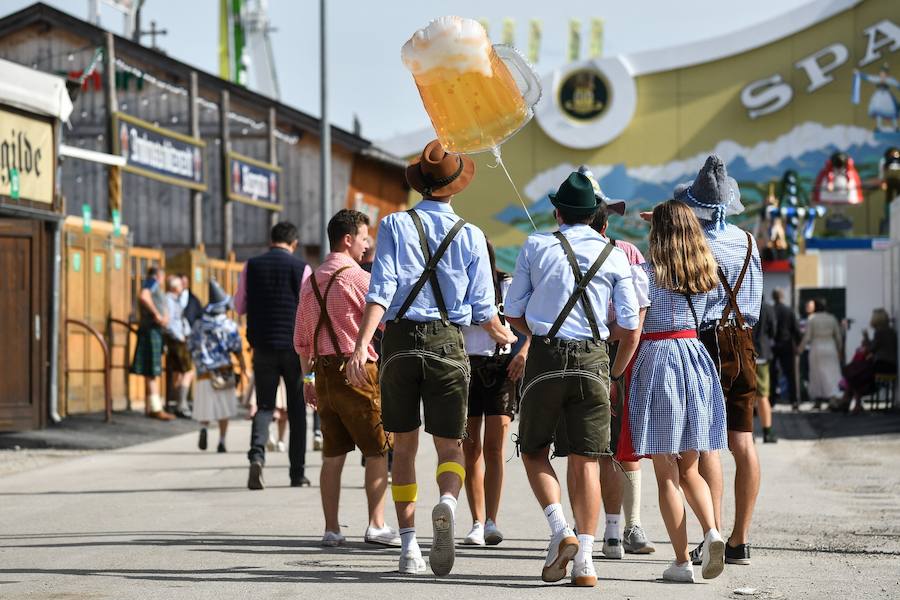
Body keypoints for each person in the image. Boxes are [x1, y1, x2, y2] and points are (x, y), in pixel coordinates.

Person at [346, 140, 514, 577]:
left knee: (403, 446)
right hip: (447, 342)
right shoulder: (473, 235)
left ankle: (408, 547)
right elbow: (483, 311)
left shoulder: (396, 225)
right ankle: (447, 502)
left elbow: (379, 290)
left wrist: (362, 344)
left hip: (399, 342)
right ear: (455, 186)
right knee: (452, 444)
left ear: (420, 184)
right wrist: (505, 335)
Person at [505, 171, 641, 587]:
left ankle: (559, 527)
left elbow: (511, 312)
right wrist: (613, 370)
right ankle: (585, 560)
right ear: (597, 214)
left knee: (533, 450)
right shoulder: (615, 255)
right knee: (587, 460)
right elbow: (631, 326)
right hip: (595, 361)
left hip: (546, 356)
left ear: (558, 212)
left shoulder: (536, 245)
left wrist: (540, 331)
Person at [554, 167, 656, 558]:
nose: (602, 217)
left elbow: (637, 315)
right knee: (590, 446)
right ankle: (598, 529)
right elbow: (636, 314)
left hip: (610, 352)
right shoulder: (611, 252)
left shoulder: (624, 252)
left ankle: (623, 527)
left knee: (616, 445)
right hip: (603, 348)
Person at [671, 156, 763, 569]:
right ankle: (740, 539)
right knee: (743, 441)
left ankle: (713, 535)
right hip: (745, 339)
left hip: (707, 340)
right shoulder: (747, 240)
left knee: (706, 441)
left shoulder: (697, 243)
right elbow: (756, 300)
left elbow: (691, 297)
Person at [629, 199, 727, 583]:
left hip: (658, 357)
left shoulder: (646, 273)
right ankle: (713, 531)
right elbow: (707, 315)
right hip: (696, 359)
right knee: (691, 467)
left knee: (665, 472)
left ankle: (683, 562)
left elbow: (632, 322)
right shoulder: (706, 273)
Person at [295, 209, 400, 548]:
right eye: (364, 237)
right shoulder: (357, 278)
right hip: (358, 372)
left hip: (323, 374)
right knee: (377, 450)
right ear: (348, 239)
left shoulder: (311, 281)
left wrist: (307, 380)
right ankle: (376, 524)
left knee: (332, 454)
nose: (367, 245)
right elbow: (385, 320)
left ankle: (331, 529)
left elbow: (301, 339)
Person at [235, 221, 312, 489]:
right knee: (297, 410)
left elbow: (239, 305)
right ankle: (297, 473)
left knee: (265, 405)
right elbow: (309, 309)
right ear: (294, 243)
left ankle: (257, 456)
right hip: (294, 349)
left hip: (263, 346)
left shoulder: (251, 266)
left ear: (271, 240)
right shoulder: (302, 268)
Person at [460, 240, 525, 547]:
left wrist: (522, 353)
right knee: (470, 449)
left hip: (501, 368)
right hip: (465, 366)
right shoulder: (456, 284)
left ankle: (491, 520)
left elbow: (532, 323)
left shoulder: (505, 283)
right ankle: (475, 520)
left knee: (495, 448)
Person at [188, 280, 245, 453]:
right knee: (224, 408)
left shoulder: (199, 324)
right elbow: (236, 347)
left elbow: (191, 345)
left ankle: (204, 428)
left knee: (205, 406)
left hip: (204, 371)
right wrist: (242, 365)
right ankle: (222, 440)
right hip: (223, 370)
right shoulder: (228, 325)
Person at [130, 266, 174, 421]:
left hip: (153, 331)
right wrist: (157, 314)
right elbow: (144, 296)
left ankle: (151, 407)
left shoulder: (152, 283)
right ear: (158, 276)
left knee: (151, 372)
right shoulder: (151, 282)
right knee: (152, 372)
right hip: (151, 331)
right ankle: (156, 408)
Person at [838, 308, 896, 412]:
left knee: (855, 373)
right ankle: (853, 402)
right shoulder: (890, 331)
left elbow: (871, 349)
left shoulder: (880, 332)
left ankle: (848, 400)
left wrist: (865, 338)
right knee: (856, 372)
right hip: (889, 364)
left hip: (882, 364)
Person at [797, 298, 843, 409]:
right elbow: (838, 336)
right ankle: (833, 398)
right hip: (830, 347)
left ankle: (818, 399)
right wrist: (840, 350)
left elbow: (807, 337)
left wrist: (800, 349)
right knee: (832, 373)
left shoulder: (812, 319)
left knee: (816, 375)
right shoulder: (832, 318)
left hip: (816, 348)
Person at [164, 275, 195, 419]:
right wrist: (180, 336)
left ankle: (177, 403)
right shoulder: (169, 300)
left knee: (179, 372)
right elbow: (170, 321)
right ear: (175, 287)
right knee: (188, 371)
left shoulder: (175, 300)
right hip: (177, 339)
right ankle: (181, 404)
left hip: (179, 337)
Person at [770, 288, 800, 409]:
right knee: (790, 374)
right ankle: (794, 400)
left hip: (773, 345)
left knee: (772, 374)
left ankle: (772, 400)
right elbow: (796, 330)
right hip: (787, 345)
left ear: (773, 297)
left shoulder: (771, 310)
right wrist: (798, 345)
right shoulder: (789, 311)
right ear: (783, 297)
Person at [754, 300, 778, 443]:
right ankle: (767, 432)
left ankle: (748, 434)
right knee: (763, 395)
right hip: (762, 353)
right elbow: (773, 331)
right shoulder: (768, 308)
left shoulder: (743, 303)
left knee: (746, 396)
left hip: (746, 352)